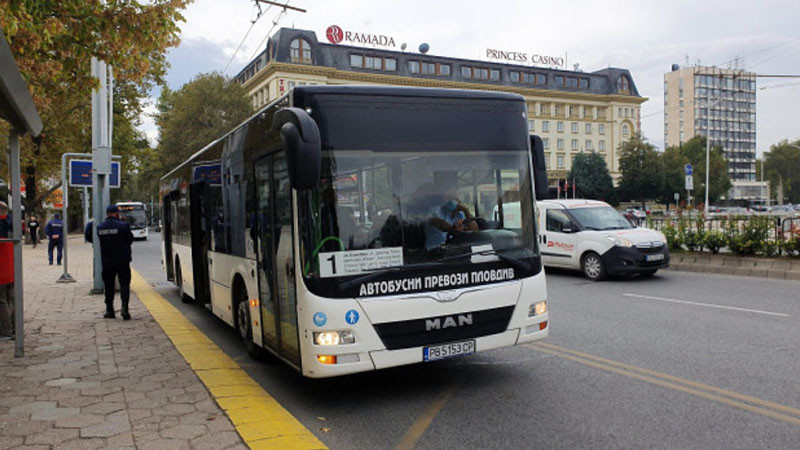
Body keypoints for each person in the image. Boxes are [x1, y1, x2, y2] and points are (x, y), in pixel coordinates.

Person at [94, 205, 134, 320]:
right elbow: (130, 240)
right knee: (124, 284)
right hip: (122, 260)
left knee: (109, 285)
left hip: (107, 261)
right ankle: (125, 308)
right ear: (117, 213)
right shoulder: (123, 226)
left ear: (107, 213)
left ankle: (109, 310)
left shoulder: (100, 227)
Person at [0, 202, 13, 337]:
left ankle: (5, 330)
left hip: (2, 269)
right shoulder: (11, 223)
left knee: (1, 300)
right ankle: (14, 328)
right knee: (11, 299)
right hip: (11, 268)